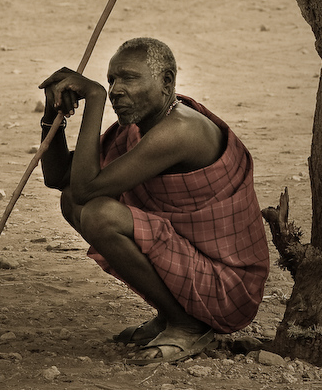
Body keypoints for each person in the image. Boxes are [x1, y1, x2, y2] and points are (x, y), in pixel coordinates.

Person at [38, 37, 269, 365]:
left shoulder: (180, 131)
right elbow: (61, 178)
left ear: (167, 81)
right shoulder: (138, 127)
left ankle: (188, 324)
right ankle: (173, 314)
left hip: (228, 288)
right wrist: (53, 115)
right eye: (111, 81)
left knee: (99, 215)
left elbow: (88, 189)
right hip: (194, 263)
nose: (117, 89)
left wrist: (94, 98)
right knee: (71, 203)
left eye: (129, 78)